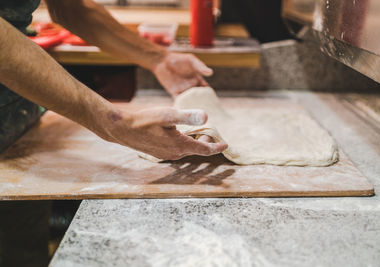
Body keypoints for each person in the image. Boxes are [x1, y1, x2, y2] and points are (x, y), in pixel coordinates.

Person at [0, 1, 227, 266]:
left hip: (17, 119)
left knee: (20, 251)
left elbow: (73, 6)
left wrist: (158, 57)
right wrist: (113, 122)